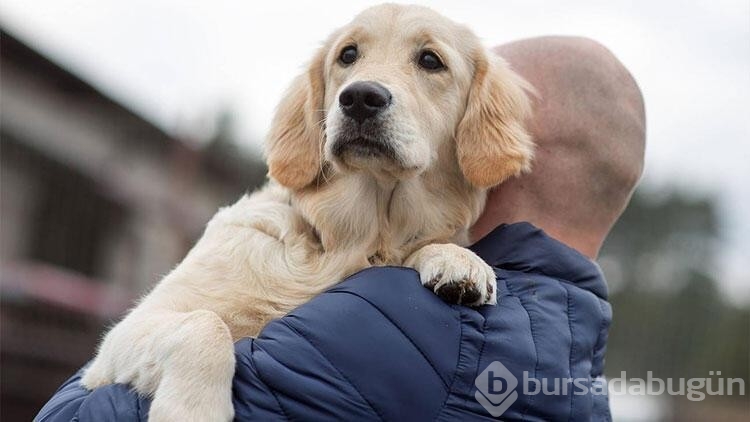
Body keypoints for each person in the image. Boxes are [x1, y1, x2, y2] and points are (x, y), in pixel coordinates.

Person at [35, 36, 645, 421]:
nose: (364, 87)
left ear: (484, 130)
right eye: (347, 58)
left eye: (429, 62)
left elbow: (74, 411)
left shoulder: (409, 326)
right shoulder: (573, 373)